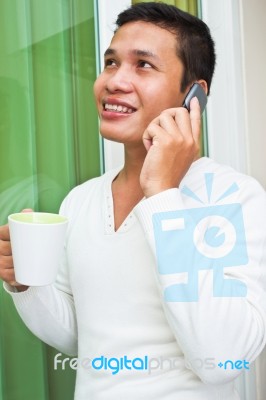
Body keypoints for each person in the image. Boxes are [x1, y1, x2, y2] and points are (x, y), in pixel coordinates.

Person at [1, 2, 266, 399]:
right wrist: (27, 286)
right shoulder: (80, 201)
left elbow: (222, 358)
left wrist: (162, 194)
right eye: (110, 62)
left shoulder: (232, 197)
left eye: (143, 65)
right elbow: (82, 340)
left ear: (194, 94)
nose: (114, 80)